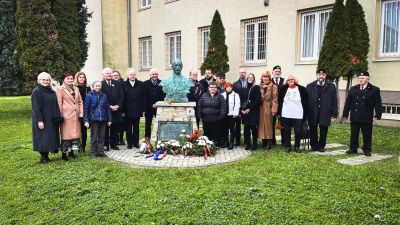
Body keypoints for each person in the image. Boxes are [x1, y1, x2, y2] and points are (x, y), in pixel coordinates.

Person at [342, 71, 382, 157]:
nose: (360, 80)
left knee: (367, 134)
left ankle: (367, 149)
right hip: (355, 116)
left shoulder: (374, 90)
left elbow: (378, 103)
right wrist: (345, 114)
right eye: (359, 78)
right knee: (354, 133)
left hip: (366, 116)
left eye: (363, 78)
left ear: (367, 79)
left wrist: (378, 114)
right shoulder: (353, 89)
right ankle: (353, 148)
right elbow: (348, 103)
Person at [31, 72, 63, 163]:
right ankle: (43, 157)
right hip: (43, 118)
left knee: (50, 136)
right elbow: (36, 108)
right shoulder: (37, 91)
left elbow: (55, 104)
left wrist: (57, 116)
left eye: (47, 80)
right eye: (43, 80)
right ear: (39, 81)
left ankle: (48, 153)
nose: (45, 81)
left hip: (51, 118)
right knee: (43, 137)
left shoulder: (51, 91)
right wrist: (39, 120)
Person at [306, 68, 338, 152]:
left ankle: (321, 146)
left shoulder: (331, 86)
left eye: (323, 75)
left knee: (323, 128)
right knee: (313, 128)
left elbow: (334, 100)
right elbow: (306, 100)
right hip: (312, 111)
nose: (321, 76)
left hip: (325, 110)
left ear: (325, 75)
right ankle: (314, 145)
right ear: (316, 75)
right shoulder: (310, 86)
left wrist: (334, 113)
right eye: (319, 75)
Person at [56, 72, 84, 160]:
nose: (70, 80)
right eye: (68, 79)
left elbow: (80, 102)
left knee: (75, 134)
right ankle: (64, 154)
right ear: (64, 79)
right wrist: (59, 115)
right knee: (66, 135)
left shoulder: (76, 88)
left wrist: (81, 113)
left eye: (71, 78)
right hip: (66, 116)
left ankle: (72, 152)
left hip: (76, 116)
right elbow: (59, 103)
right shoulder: (60, 89)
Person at [277, 74, 308, 152]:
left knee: (297, 131)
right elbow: (279, 101)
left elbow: (306, 102)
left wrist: (305, 114)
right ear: (287, 81)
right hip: (286, 114)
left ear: (295, 80)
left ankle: (297, 146)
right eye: (289, 80)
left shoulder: (301, 89)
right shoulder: (283, 89)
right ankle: (288, 146)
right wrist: (279, 113)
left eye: (292, 79)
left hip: (298, 114)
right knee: (286, 131)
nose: (290, 81)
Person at [84, 80, 112, 157]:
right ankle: (93, 151)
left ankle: (100, 151)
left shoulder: (104, 95)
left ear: (101, 87)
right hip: (94, 119)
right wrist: (86, 120)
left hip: (103, 119)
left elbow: (107, 108)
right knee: (94, 136)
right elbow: (86, 108)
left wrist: (109, 119)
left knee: (101, 136)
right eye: (96, 86)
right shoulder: (89, 95)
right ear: (93, 86)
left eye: (99, 86)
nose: (98, 87)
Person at [123, 68, 147, 149]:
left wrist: (143, 110)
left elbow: (144, 97)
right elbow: (122, 98)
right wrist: (123, 110)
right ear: (128, 75)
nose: (132, 76)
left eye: (133, 74)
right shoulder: (123, 84)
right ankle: (129, 143)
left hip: (137, 109)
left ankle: (136, 142)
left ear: (135, 75)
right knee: (128, 127)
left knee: (136, 127)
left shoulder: (141, 84)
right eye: (131, 74)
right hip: (127, 110)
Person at [101, 67, 124, 151]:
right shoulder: (101, 84)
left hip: (116, 110)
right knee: (106, 128)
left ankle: (114, 144)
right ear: (103, 75)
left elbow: (122, 96)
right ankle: (106, 145)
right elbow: (101, 98)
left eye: (110, 73)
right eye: (107, 73)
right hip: (106, 110)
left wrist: (118, 106)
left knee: (115, 128)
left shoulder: (117, 83)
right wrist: (109, 106)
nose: (109, 74)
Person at [197, 81, 227, 146]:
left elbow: (223, 107)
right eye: (211, 87)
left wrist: (220, 117)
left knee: (216, 133)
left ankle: (215, 146)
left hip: (216, 119)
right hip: (205, 119)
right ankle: (207, 146)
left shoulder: (220, 96)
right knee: (207, 133)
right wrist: (199, 116)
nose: (213, 89)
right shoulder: (203, 95)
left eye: (214, 87)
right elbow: (199, 105)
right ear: (208, 88)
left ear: (216, 88)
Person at [258, 71, 278, 150]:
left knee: (268, 125)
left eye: (267, 77)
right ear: (262, 78)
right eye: (264, 77)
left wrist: (274, 110)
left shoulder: (273, 86)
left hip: (268, 107)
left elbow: (275, 99)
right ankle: (263, 140)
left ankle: (269, 142)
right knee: (261, 124)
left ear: (269, 78)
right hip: (260, 107)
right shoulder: (259, 86)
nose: (265, 78)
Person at [240, 73, 261, 150]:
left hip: (253, 111)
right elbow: (241, 100)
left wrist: (249, 109)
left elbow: (257, 100)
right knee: (246, 128)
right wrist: (241, 109)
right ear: (246, 78)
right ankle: (248, 144)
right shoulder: (243, 88)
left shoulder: (256, 87)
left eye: (252, 77)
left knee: (253, 128)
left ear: (254, 79)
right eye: (249, 77)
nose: (250, 78)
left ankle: (254, 144)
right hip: (244, 111)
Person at [143, 68, 165, 139]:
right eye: (153, 74)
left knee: (160, 123)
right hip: (149, 108)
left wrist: (158, 104)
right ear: (150, 75)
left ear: (158, 74)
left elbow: (163, 95)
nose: (154, 75)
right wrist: (151, 105)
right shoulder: (145, 83)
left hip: (159, 107)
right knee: (148, 124)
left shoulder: (162, 83)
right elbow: (144, 96)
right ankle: (147, 139)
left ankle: (160, 137)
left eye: (156, 74)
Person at [74, 71, 91, 152]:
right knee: (77, 130)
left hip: (86, 111)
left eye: (83, 77)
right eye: (80, 77)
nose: (82, 79)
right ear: (77, 78)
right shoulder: (74, 88)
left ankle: (83, 146)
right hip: (77, 111)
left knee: (84, 130)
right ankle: (77, 145)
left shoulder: (88, 88)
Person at [221, 82, 240, 149]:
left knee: (232, 129)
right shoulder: (222, 95)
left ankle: (231, 142)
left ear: (232, 88)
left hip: (232, 115)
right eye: (227, 87)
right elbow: (221, 105)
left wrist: (235, 114)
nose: (229, 88)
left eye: (230, 87)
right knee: (224, 129)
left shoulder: (235, 95)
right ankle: (226, 142)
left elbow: (237, 105)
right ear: (225, 88)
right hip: (225, 115)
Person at [232, 68, 247, 146]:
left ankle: (246, 140)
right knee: (237, 125)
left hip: (246, 106)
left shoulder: (249, 82)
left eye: (243, 72)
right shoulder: (235, 84)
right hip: (238, 107)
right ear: (239, 73)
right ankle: (237, 140)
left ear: (245, 73)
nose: (242, 74)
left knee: (246, 124)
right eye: (241, 72)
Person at [271, 65, 285, 146]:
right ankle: (273, 141)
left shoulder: (284, 81)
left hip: (282, 106)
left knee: (282, 124)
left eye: (278, 71)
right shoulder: (269, 81)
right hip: (272, 106)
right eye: (275, 71)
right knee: (272, 123)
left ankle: (284, 140)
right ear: (273, 72)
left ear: (281, 72)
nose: (277, 72)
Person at [112, 70, 126, 145]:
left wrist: (123, 110)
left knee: (122, 125)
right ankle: (116, 139)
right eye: (114, 75)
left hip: (122, 108)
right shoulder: (111, 84)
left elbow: (123, 96)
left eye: (117, 75)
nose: (115, 76)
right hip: (113, 108)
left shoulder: (122, 84)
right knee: (115, 125)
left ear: (119, 76)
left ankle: (121, 138)